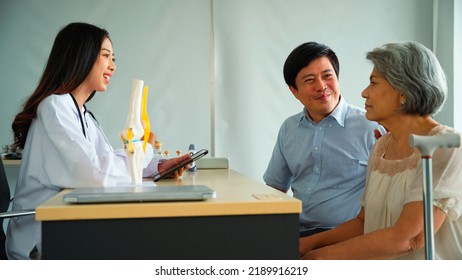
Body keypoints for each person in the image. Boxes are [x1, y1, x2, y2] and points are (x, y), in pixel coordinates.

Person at [6, 22, 190, 260]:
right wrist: (142, 149)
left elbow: (106, 161)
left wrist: (155, 167)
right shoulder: (54, 107)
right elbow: (94, 173)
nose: (113, 66)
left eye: (113, 58)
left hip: (67, 228)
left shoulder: (83, 114)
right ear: (81, 57)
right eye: (106, 56)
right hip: (41, 244)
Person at [300, 41, 462, 260]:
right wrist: (307, 244)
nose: (364, 93)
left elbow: (410, 238)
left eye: (373, 83)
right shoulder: (381, 147)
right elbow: (363, 223)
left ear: (404, 90)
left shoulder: (448, 147)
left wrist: (320, 258)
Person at [263, 42, 383, 237]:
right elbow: (275, 188)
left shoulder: (371, 126)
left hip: (347, 236)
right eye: (309, 80)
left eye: (327, 76)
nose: (321, 86)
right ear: (294, 91)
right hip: (296, 231)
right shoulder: (289, 128)